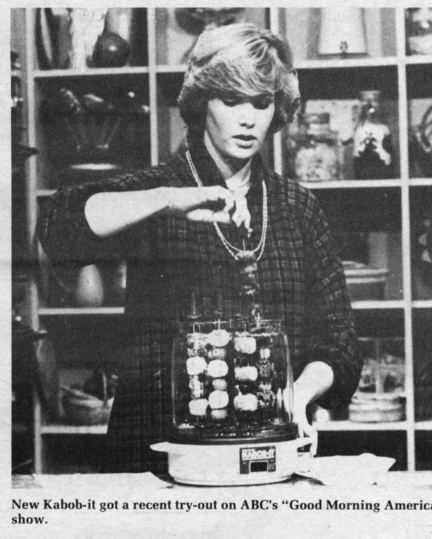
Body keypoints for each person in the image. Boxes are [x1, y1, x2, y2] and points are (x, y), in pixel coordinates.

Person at [38, 24, 362, 474]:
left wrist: (299, 394)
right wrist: (168, 199)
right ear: (202, 102)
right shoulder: (158, 193)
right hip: (154, 455)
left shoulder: (297, 207)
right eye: (230, 100)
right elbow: (57, 225)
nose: (247, 119)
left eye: (261, 103)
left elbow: (339, 341)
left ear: (277, 110)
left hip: (267, 446)